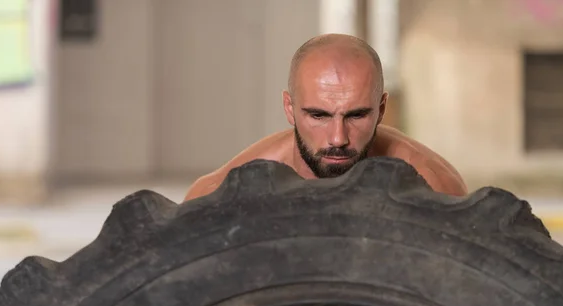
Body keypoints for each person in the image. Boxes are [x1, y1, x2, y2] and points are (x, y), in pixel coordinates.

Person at [183, 33, 467, 202]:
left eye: (356, 115)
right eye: (318, 115)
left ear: (381, 110)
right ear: (289, 109)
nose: (337, 138)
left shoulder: (433, 187)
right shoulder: (219, 193)